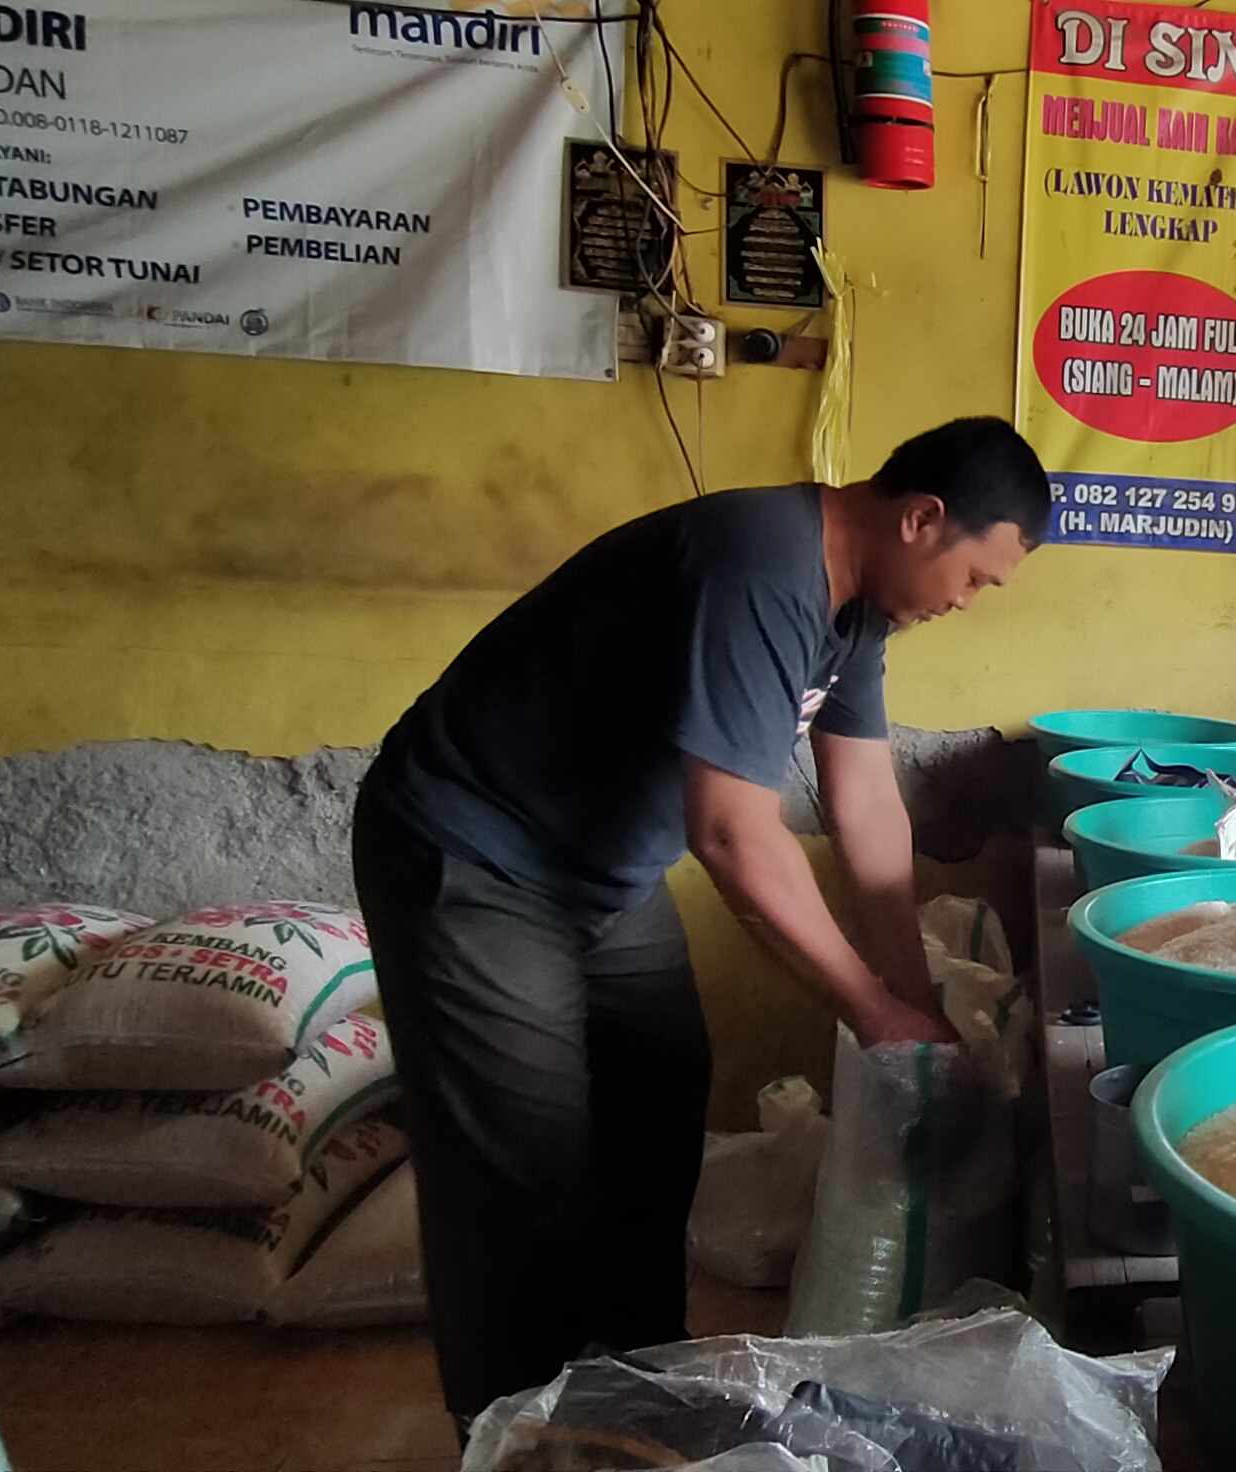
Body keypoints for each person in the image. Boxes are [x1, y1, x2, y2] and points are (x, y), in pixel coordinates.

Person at [348, 416, 1047, 1425]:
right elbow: (731, 835)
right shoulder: (761, 561)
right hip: (475, 852)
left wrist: (913, 999)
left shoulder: (856, 613)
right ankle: (512, 1437)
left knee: (659, 1104)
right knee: (522, 1171)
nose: (968, 602)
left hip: (600, 872)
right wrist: (866, 1004)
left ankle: (633, 1402)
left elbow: (866, 809)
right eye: (977, 577)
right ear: (922, 518)